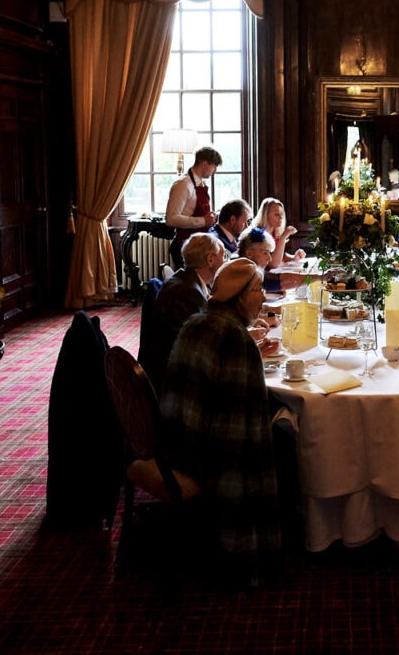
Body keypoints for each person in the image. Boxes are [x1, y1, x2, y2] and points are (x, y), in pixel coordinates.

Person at [160, 258, 283, 587]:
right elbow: (243, 431)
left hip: (173, 437)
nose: (263, 297)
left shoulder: (200, 322)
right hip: (201, 453)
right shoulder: (235, 340)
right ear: (241, 297)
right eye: (258, 290)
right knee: (287, 436)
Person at [143, 233, 225, 395]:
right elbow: (202, 346)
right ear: (210, 260)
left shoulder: (188, 280)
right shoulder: (188, 293)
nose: (225, 263)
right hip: (176, 384)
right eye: (223, 257)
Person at [165, 145, 222, 269]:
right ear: (204, 164)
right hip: (185, 247)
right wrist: (203, 221)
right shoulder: (183, 185)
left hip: (199, 247)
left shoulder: (201, 184)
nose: (215, 170)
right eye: (214, 166)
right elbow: (171, 219)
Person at [253, 197, 303, 264]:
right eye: (277, 214)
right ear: (266, 215)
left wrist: (294, 257)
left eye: (281, 214)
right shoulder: (258, 234)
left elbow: (280, 256)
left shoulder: (275, 232)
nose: (281, 217)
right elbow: (273, 264)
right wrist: (283, 237)